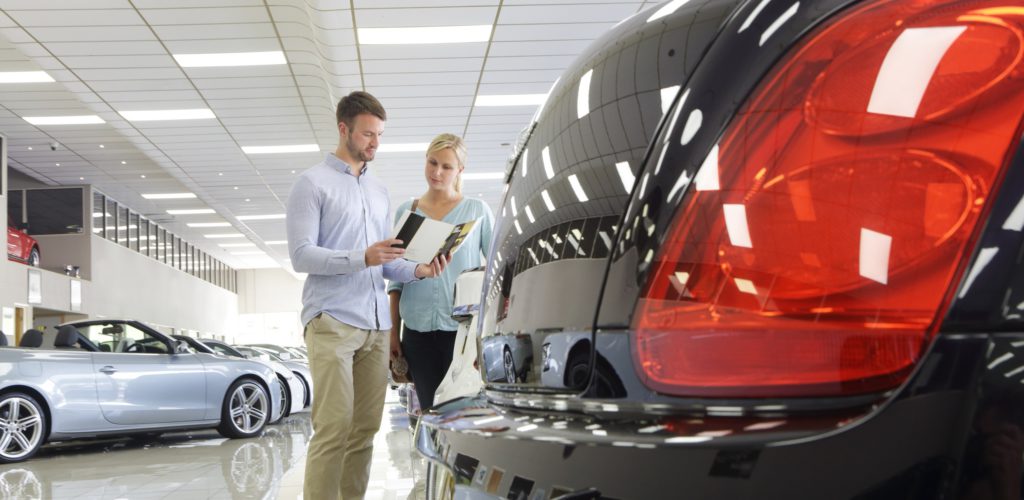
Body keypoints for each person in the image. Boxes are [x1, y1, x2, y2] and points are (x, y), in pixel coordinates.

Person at [286, 90, 449, 500]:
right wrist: (362, 256)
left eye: (379, 135)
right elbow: (301, 255)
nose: (374, 143)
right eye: (367, 134)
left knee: (364, 431)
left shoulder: (378, 191)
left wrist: (419, 269)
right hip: (333, 320)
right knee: (334, 426)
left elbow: (384, 261)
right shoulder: (311, 184)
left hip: (376, 325)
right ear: (344, 130)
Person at [388, 133, 494, 411]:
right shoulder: (407, 211)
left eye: (447, 166)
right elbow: (395, 282)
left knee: (464, 412)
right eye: (432, 163)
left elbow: (496, 270)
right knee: (430, 412)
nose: (437, 172)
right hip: (417, 333)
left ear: (460, 170)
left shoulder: (477, 210)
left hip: (462, 333)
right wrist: (392, 335)